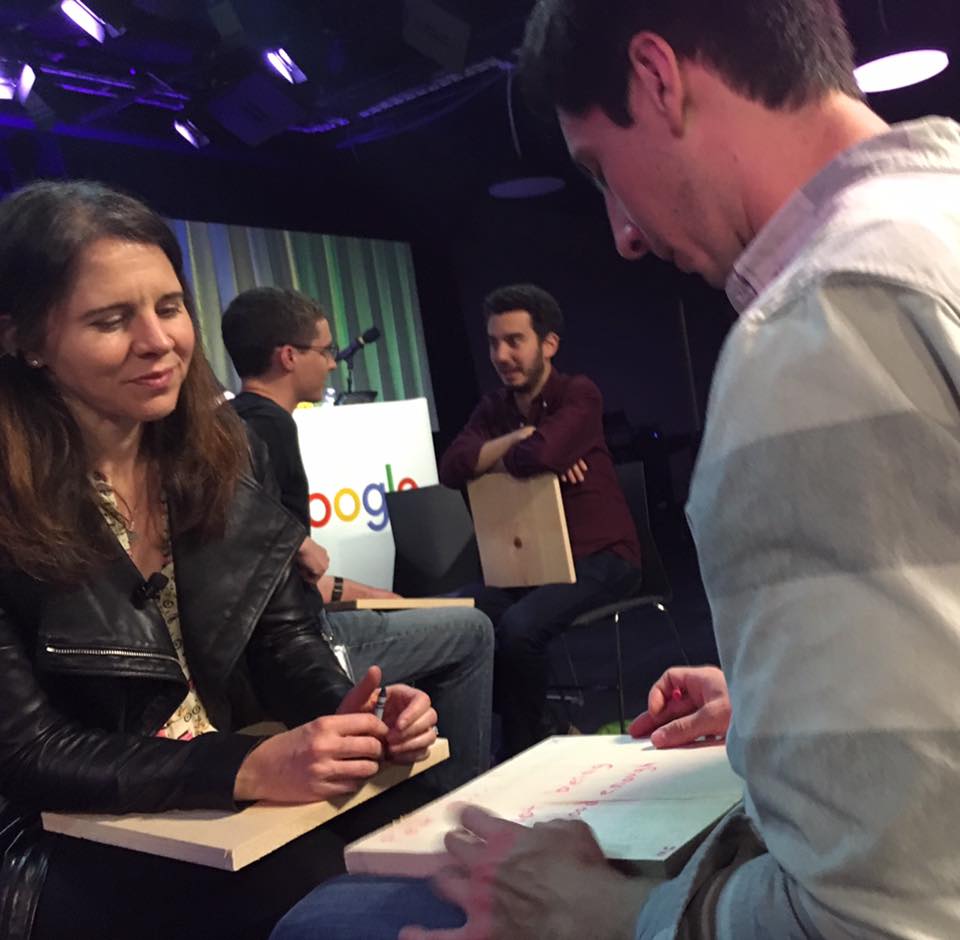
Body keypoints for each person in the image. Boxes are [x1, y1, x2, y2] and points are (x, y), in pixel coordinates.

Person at [271, 0, 960, 937]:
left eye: (601, 169)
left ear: (659, 79)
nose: (622, 233)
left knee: (323, 923)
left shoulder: (824, 330)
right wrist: (774, 708)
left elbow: (885, 918)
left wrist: (613, 912)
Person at [0, 180, 443, 940]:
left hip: (222, 805)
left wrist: (353, 712)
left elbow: (281, 641)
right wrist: (241, 766)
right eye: (111, 320)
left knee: (438, 855)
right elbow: (28, 753)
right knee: (332, 904)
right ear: (24, 341)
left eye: (169, 308)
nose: (158, 341)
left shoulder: (218, 455)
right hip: (60, 837)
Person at [221, 286, 495, 794]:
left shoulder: (232, 428)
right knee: (474, 631)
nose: (330, 364)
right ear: (288, 356)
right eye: (324, 351)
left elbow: (283, 570)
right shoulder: (270, 431)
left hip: (280, 641)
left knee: (403, 616)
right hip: (299, 648)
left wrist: (362, 594)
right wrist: (364, 595)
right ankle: (460, 799)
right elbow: (284, 584)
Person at [438, 283, 643, 757]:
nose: (501, 354)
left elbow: (543, 452)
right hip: (532, 563)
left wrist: (529, 449)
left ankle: (524, 753)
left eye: (515, 341)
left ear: (548, 344)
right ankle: (544, 728)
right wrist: (518, 440)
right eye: (493, 342)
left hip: (603, 556)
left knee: (519, 629)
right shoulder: (496, 410)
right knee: (460, 618)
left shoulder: (579, 393)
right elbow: (453, 467)